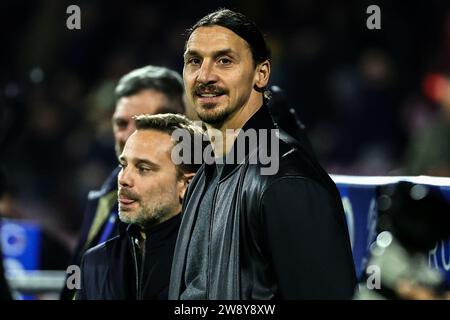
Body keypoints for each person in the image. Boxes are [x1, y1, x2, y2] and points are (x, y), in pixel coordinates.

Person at [169, 8, 356, 299]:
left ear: (261, 73)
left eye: (224, 61)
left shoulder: (285, 178)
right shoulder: (206, 171)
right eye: (194, 61)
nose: (204, 75)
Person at [61, 65, 185, 299]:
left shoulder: (213, 249)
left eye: (141, 123)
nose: (127, 135)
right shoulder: (104, 199)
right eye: (120, 123)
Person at [76, 113, 203, 299]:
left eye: (143, 169)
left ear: (186, 186)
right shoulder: (96, 262)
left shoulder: (214, 263)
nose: (124, 179)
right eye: (123, 165)